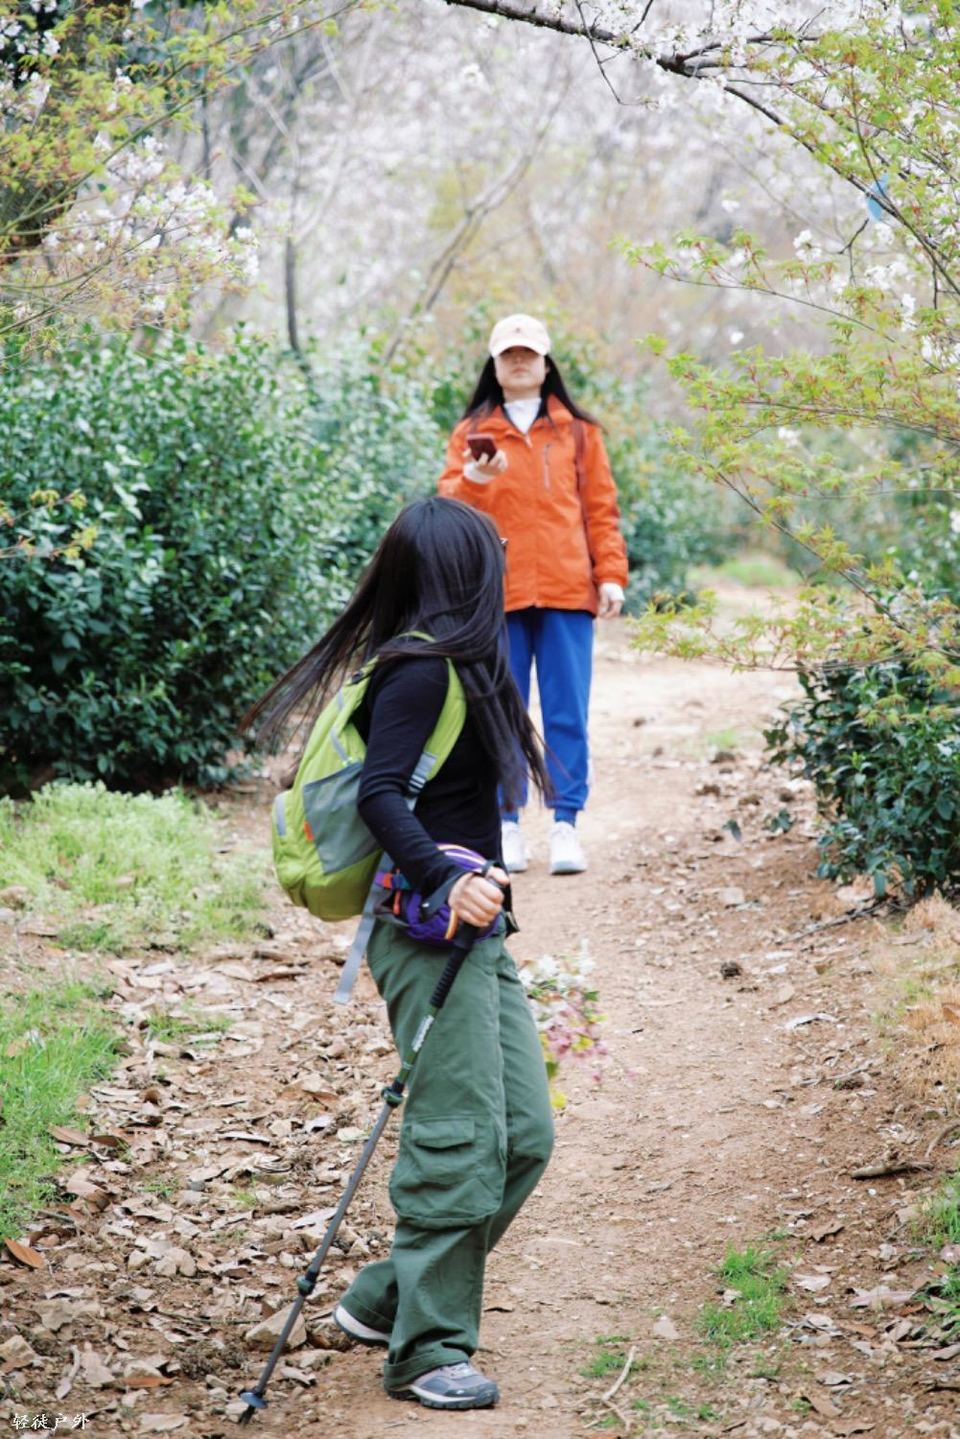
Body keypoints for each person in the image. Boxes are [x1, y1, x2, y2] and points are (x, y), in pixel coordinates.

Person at [245, 497, 554, 1412]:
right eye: (491, 558)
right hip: (426, 934)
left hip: (477, 932)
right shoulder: (418, 670)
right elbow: (381, 793)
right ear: (463, 573)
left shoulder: (469, 665)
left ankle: (385, 1299)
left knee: (525, 1135)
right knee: (459, 1135)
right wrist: (445, 877)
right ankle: (427, 1349)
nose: (502, 570)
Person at [438, 313, 629, 877]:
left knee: (568, 712)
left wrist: (610, 574)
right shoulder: (471, 433)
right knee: (499, 710)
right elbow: (447, 510)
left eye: (529, 353)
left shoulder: (579, 432)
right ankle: (506, 823)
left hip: (568, 589)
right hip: (496, 593)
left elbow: (601, 509)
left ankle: (566, 822)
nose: (519, 362)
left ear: (547, 364)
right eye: (509, 354)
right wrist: (475, 479)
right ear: (494, 366)